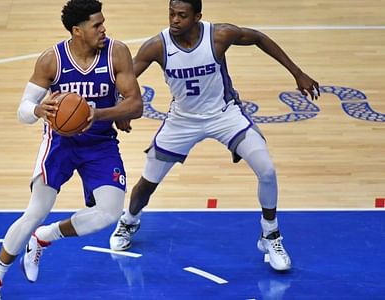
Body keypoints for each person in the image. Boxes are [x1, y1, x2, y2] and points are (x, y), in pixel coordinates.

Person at [109, 0, 320, 272]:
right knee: (148, 183)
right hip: (182, 120)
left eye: (182, 16)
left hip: (224, 114)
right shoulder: (157, 46)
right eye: (172, 14)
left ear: (197, 16)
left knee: (266, 170)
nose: (174, 20)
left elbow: (258, 38)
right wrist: (120, 108)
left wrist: (297, 73)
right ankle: (129, 220)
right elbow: (126, 78)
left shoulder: (219, 35)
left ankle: (270, 234)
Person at [0, 0, 143, 298]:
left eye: (103, 23)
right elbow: (23, 110)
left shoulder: (116, 52)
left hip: (100, 143)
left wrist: (105, 115)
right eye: (97, 25)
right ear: (77, 31)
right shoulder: (51, 60)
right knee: (36, 210)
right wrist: (39, 110)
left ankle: (44, 238)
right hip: (60, 142)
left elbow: (136, 104)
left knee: (109, 212)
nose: (104, 29)